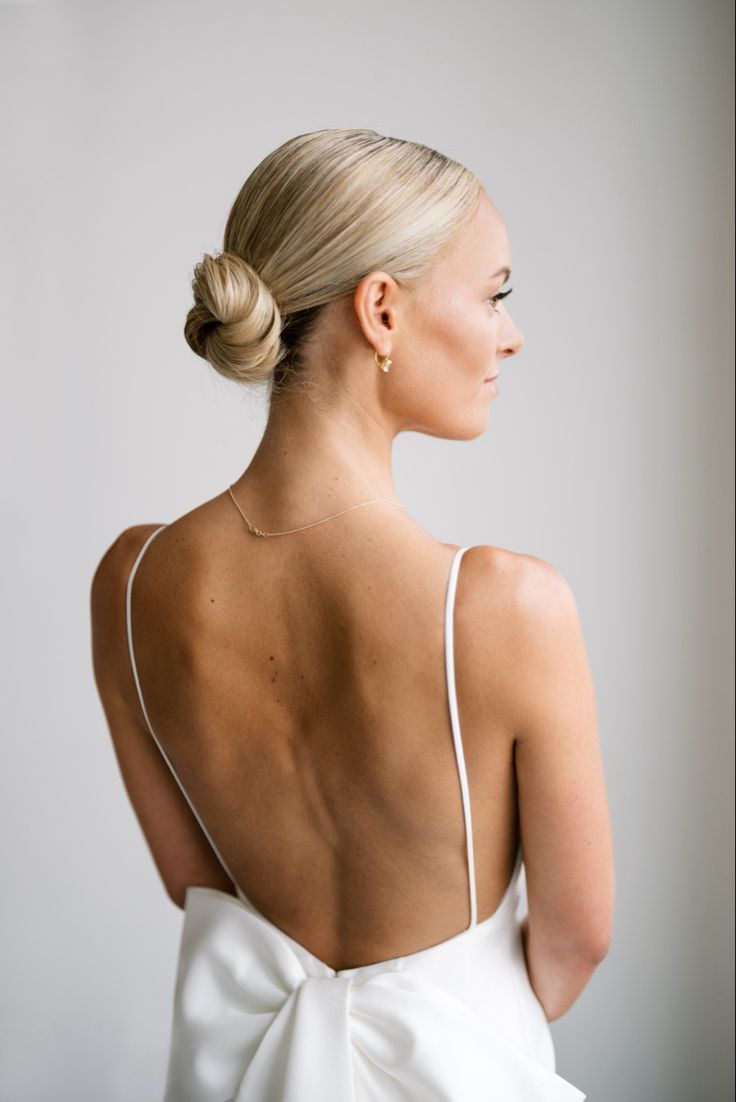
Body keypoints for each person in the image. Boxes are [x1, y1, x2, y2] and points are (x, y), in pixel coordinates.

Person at [90, 127, 614, 1101]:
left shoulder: (128, 582)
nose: (511, 331)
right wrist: (444, 1022)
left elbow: (193, 885)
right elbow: (579, 933)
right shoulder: (507, 604)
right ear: (381, 308)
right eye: (494, 292)